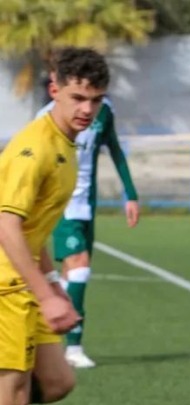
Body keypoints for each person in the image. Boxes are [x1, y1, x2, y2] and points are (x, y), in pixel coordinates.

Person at [0, 47, 109, 405]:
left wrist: (51, 284)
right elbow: (6, 224)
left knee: (56, 381)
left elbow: (33, 229)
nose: (87, 109)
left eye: (96, 100)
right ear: (54, 91)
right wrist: (46, 296)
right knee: (14, 391)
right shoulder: (34, 149)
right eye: (77, 98)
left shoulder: (66, 145)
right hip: (5, 287)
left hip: (24, 279)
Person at [34, 86, 140, 369]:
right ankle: (73, 347)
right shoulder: (45, 118)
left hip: (87, 205)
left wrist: (130, 194)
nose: (87, 106)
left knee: (71, 274)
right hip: (60, 204)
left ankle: (43, 334)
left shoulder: (104, 111)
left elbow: (114, 148)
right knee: (80, 267)